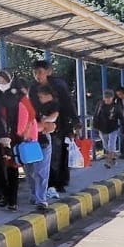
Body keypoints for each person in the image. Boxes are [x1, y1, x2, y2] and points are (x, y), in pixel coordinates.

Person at [31, 60, 76, 192]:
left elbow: (68, 104)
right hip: (40, 124)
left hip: (59, 123)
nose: (37, 76)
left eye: (40, 72)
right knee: (45, 154)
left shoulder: (58, 85)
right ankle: (47, 183)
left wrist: (75, 121)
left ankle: (58, 183)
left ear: (48, 72)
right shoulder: (33, 88)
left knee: (58, 153)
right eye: (35, 73)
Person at [0, 70, 27, 210]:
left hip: (13, 138)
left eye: (4, 81)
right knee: (0, 169)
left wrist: (19, 133)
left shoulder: (18, 96)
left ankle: (13, 200)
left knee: (12, 168)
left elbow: (27, 114)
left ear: (10, 81)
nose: (1, 84)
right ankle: (5, 196)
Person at [92, 89, 124, 169]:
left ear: (112, 98)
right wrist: (95, 126)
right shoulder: (100, 104)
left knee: (111, 145)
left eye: (109, 98)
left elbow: (121, 117)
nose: (107, 99)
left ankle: (108, 162)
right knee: (106, 145)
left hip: (113, 128)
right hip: (102, 128)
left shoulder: (116, 106)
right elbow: (96, 115)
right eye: (105, 97)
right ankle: (113, 157)